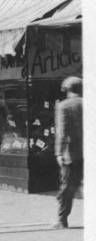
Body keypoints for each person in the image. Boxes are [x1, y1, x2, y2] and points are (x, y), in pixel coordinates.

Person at [54, 76, 82, 228]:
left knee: (67, 186)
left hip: (71, 153)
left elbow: (62, 131)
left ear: (67, 90)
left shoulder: (64, 106)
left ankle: (62, 219)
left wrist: (59, 152)